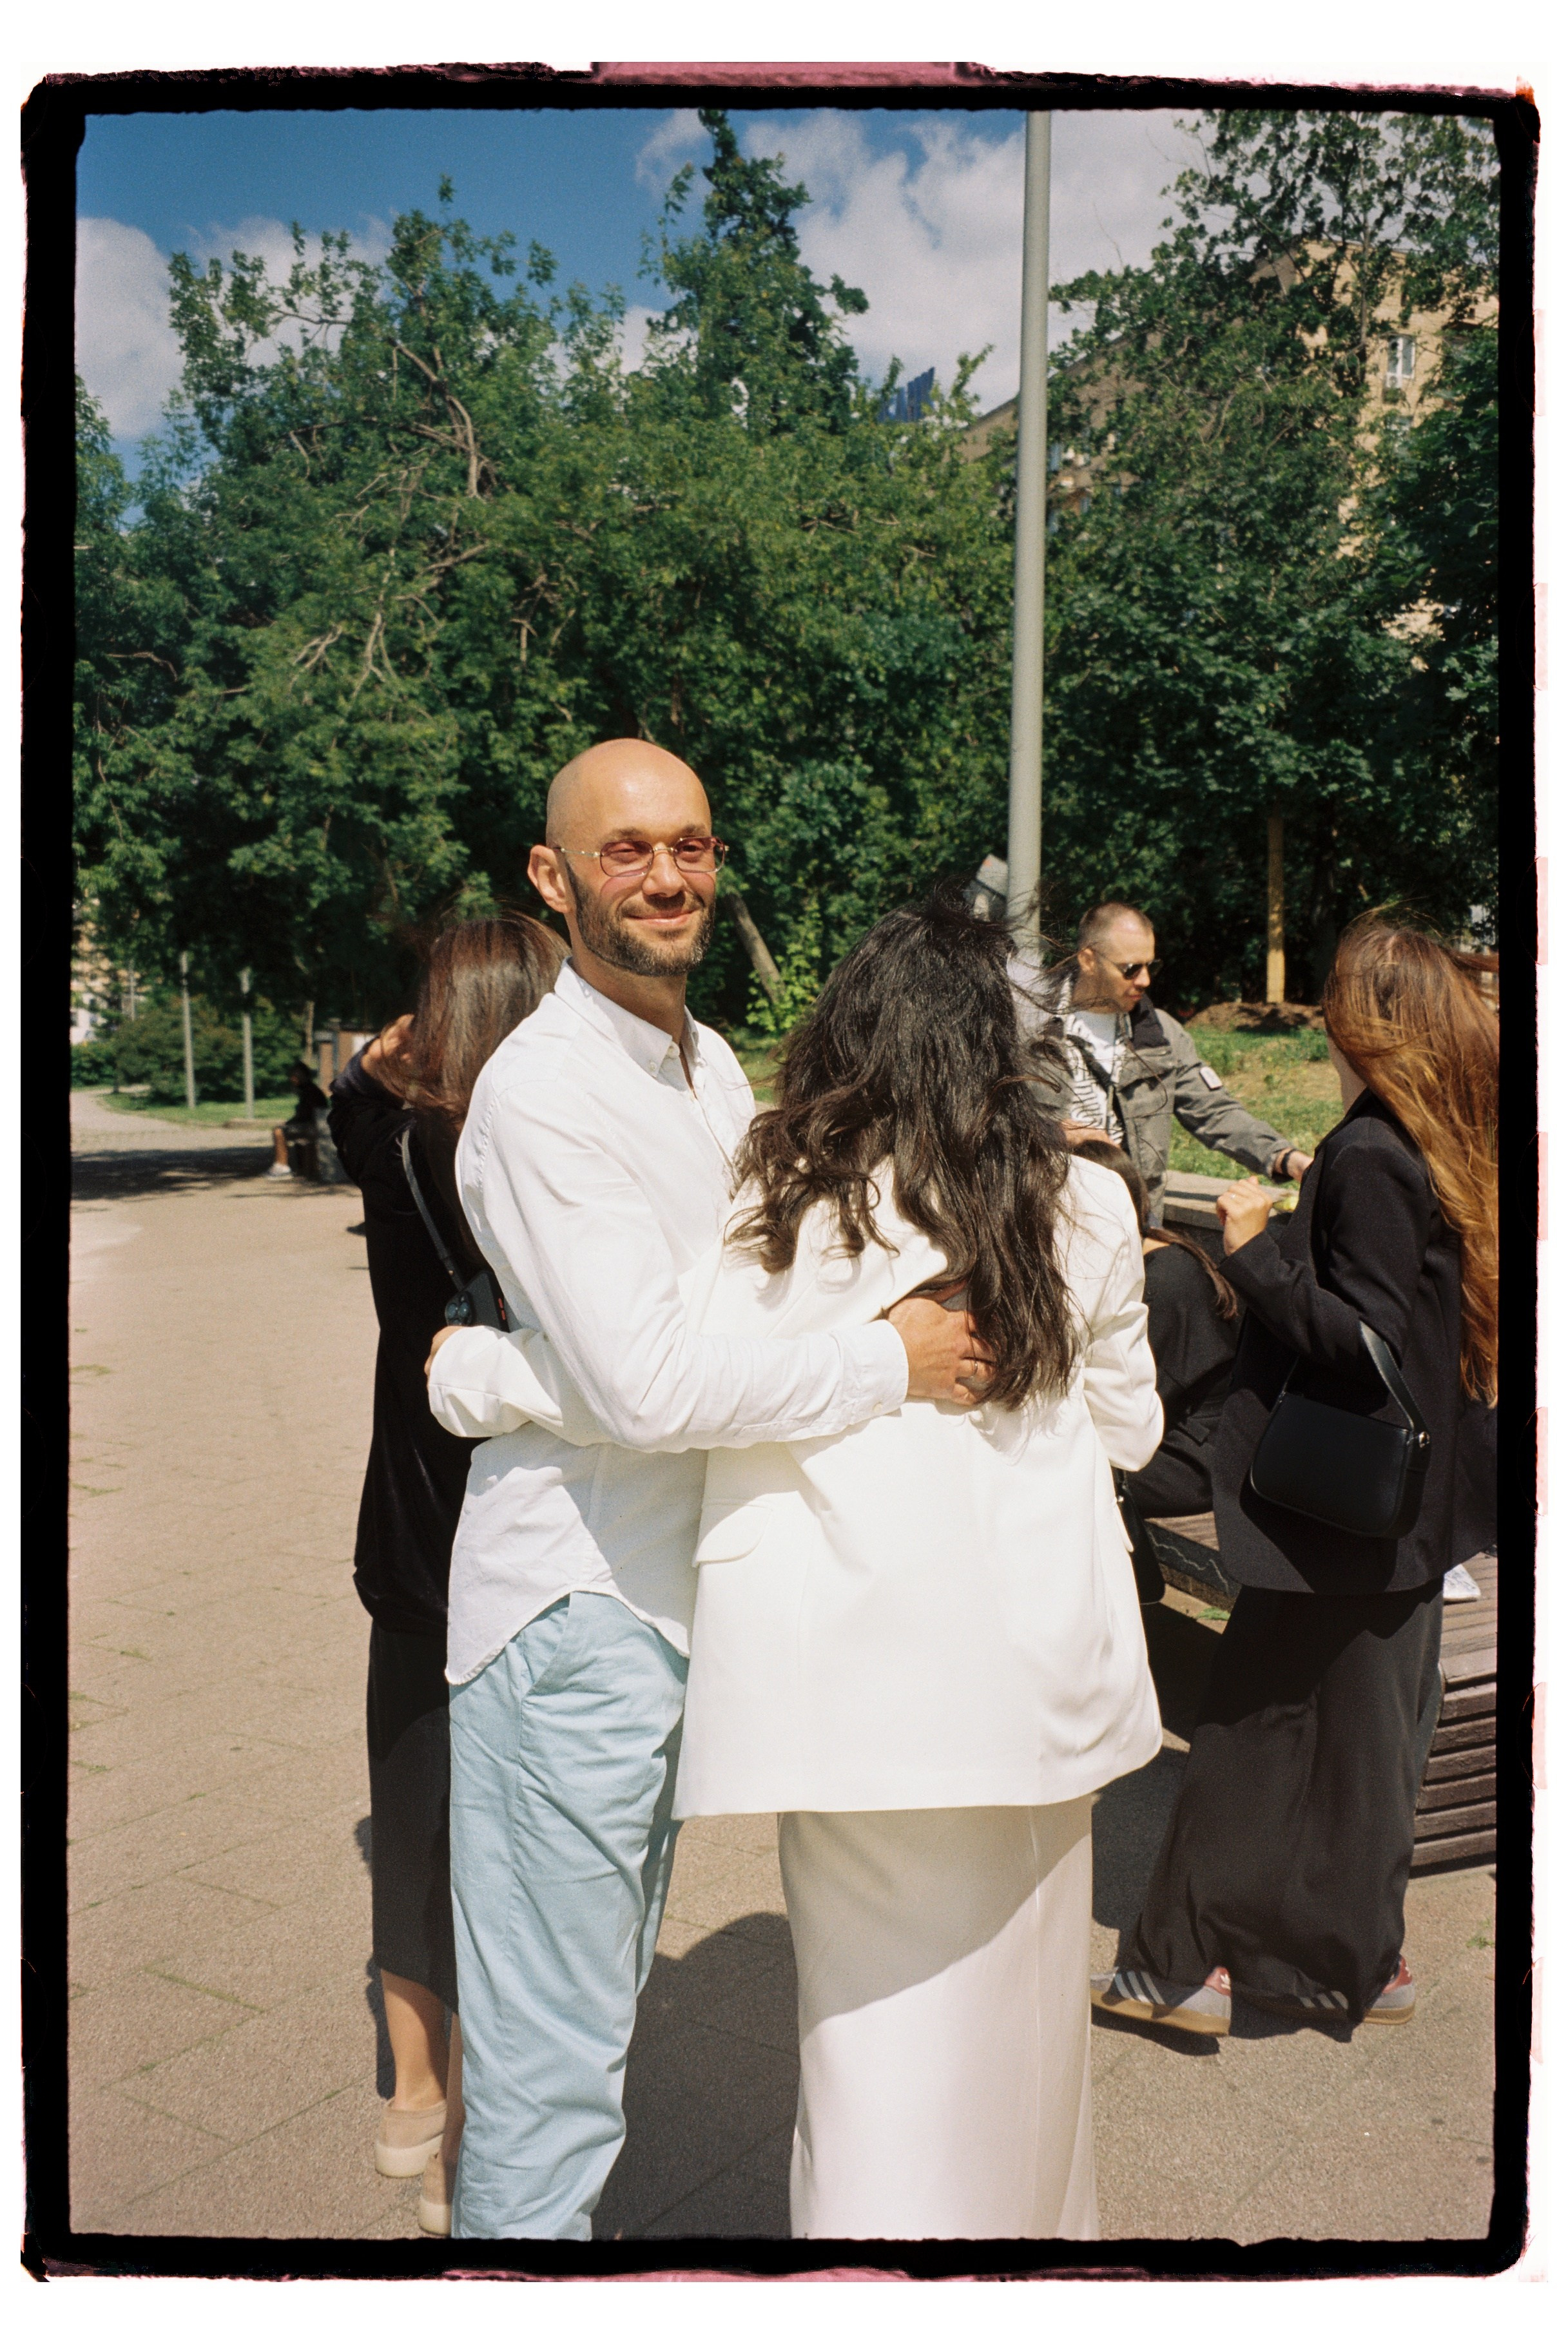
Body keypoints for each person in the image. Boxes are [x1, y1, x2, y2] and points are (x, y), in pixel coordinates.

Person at [432, 889, 1164, 2240]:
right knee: (1028, 2043)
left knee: (877, 2064)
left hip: (867, 1704)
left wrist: (479, 1372)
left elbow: (657, 1384)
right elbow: (1129, 1426)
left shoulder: (786, 1210)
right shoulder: (1089, 1206)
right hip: (1048, 1698)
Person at [420, 741, 988, 2240]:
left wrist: (497, 1372)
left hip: (678, 1601)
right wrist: (890, 1363)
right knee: (552, 2085)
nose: (668, 875)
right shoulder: (540, 1101)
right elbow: (658, 1388)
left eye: (690, 844)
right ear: (551, 878)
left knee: (583, 2041)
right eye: (626, 851)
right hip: (578, 1618)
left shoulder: (710, 1059)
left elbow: (734, 1317)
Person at [1092, 915, 1497, 2037]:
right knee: (1369, 1739)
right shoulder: (1441, 1137)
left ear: (1361, 1017)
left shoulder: (1370, 1151)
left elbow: (1359, 1341)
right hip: (1409, 1510)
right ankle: (1353, 1965)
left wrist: (1251, 1247)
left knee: (1247, 1735)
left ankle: (1174, 1968)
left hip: (1340, 1507)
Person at [327, 913, 565, 2234]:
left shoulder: (398, 1152)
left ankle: (413, 2096)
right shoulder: (533, 1160)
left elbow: (347, 1109)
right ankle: (483, 2127)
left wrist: (377, 1056)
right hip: (523, 1535)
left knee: (409, 1817)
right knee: (511, 1844)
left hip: (412, 1537)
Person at [1023, 901, 1312, 1222]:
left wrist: (1286, 1159)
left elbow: (1214, 1112)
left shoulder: (1161, 1035)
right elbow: (984, 1118)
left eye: (1151, 967)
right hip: (1046, 1217)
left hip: (1133, 1222)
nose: (1145, 980)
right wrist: (1055, 1131)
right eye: (1131, 969)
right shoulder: (1028, 1028)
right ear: (1088, 960)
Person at [1072, 1139, 1241, 1519]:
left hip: (1191, 1460)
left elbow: (1128, 1402)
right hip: (1169, 1440)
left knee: (1059, 1477)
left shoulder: (1162, 1281)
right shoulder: (1148, 1252)